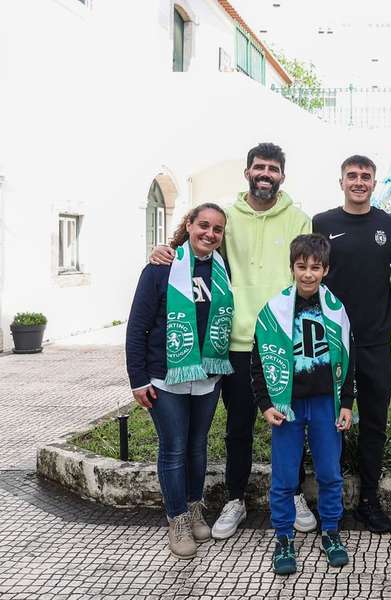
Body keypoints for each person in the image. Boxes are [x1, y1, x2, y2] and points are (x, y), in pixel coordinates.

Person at [149, 143, 316, 539]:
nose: (265, 174)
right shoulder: (229, 218)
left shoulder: (300, 219)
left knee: (289, 423)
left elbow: (308, 277)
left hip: (282, 342)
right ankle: (235, 499)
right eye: (259, 167)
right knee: (238, 427)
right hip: (235, 343)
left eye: (273, 168)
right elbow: (197, 248)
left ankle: (291, 494)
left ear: (282, 176)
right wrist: (166, 250)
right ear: (247, 173)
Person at [126, 203, 234, 559]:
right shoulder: (160, 268)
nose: (209, 234)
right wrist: (138, 379)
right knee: (173, 447)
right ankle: (177, 520)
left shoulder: (222, 268)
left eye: (217, 229)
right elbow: (138, 326)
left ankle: (194, 506)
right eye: (203, 225)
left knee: (198, 445)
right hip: (165, 375)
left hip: (207, 375)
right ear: (189, 225)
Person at [251, 234, 355, 573]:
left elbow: (349, 361)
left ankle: (331, 531)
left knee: (329, 472)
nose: (308, 274)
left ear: (325, 269)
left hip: (326, 402)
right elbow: (258, 361)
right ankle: (283, 537)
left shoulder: (337, 310)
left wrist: (347, 404)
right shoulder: (274, 310)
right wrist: (266, 403)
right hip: (288, 404)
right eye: (301, 267)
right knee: (283, 476)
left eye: (315, 267)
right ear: (292, 268)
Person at [312, 155, 391, 533]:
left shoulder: (390, 225)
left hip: (375, 341)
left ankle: (369, 499)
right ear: (342, 181)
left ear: (375, 182)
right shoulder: (323, 223)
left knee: (375, 423)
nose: (359, 182)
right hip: (331, 343)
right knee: (325, 422)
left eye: (366, 176)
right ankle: (326, 500)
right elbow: (309, 272)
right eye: (353, 176)